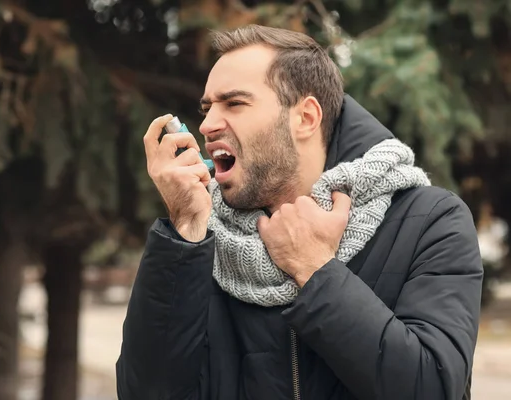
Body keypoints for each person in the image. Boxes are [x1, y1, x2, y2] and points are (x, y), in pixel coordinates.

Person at [116, 24, 483, 400]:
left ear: (306, 117)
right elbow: (146, 392)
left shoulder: (432, 221)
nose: (207, 125)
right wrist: (185, 232)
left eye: (235, 103)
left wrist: (315, 269)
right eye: (207, 108)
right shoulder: (201, 240)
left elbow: (434, 389)